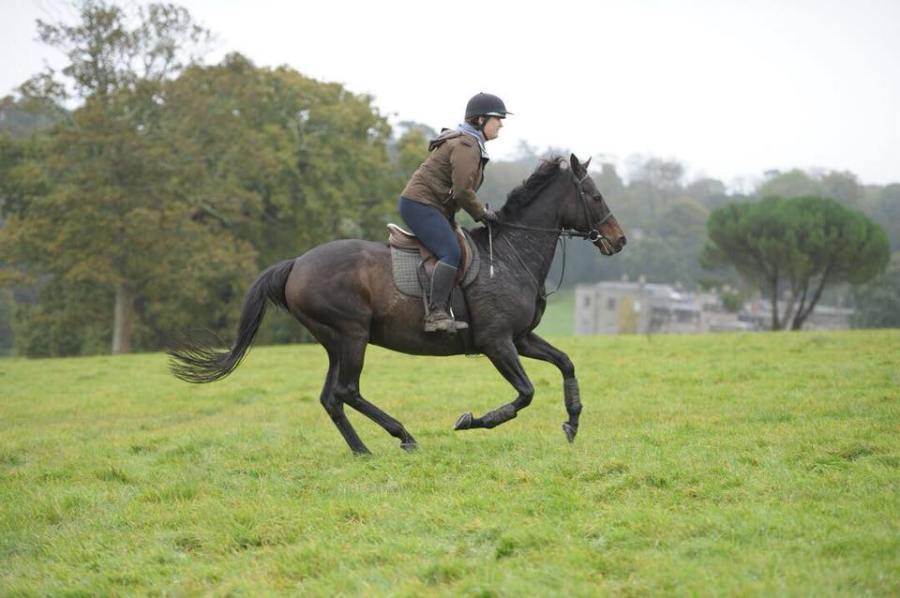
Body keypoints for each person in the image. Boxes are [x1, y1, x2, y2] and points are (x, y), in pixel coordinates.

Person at [398, 92, 511, 333]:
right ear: (480, 120)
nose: (501, 124)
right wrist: (482, 214)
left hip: (432, 206)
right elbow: (462, 191)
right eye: (497, 118)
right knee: (451, 253)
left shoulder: (470, 142)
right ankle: (436, 315)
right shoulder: (466, 145)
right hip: (420, 204)